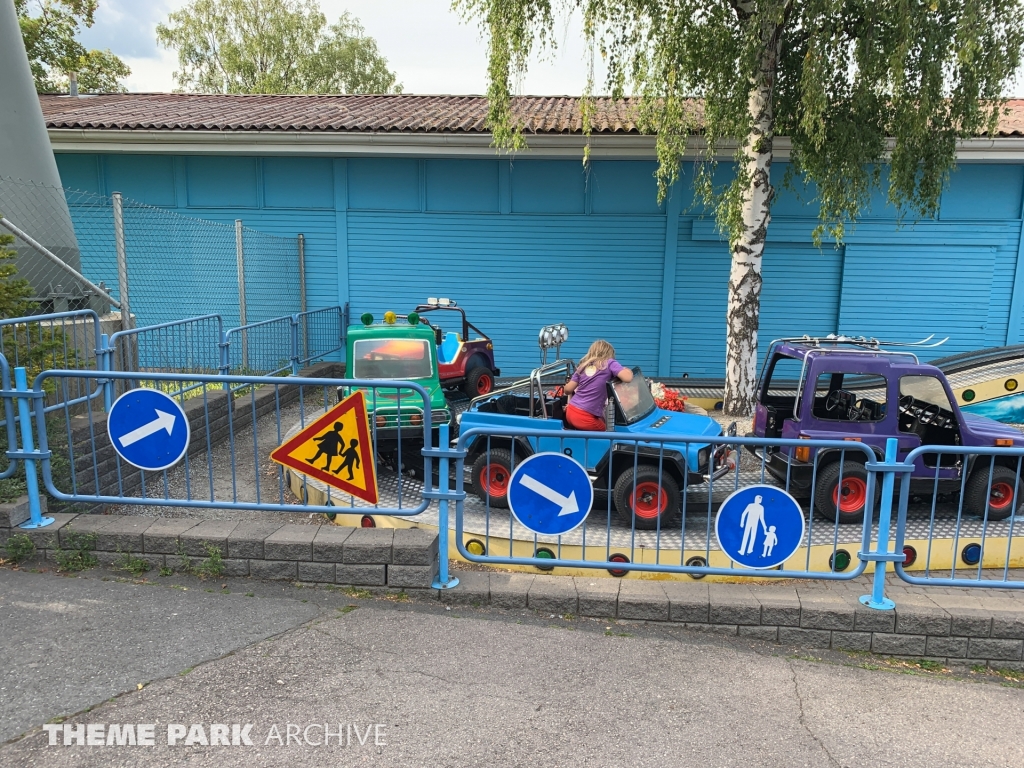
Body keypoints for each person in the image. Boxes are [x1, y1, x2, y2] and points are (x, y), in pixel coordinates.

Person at [563, 340, 633, 431]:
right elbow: (627, 378)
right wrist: (628, 370)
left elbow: (567, 390)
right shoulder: (609, 363)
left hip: (571, 411)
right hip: (585, 417)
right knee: (608, 434)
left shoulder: (582, 367)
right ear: (609, 354)